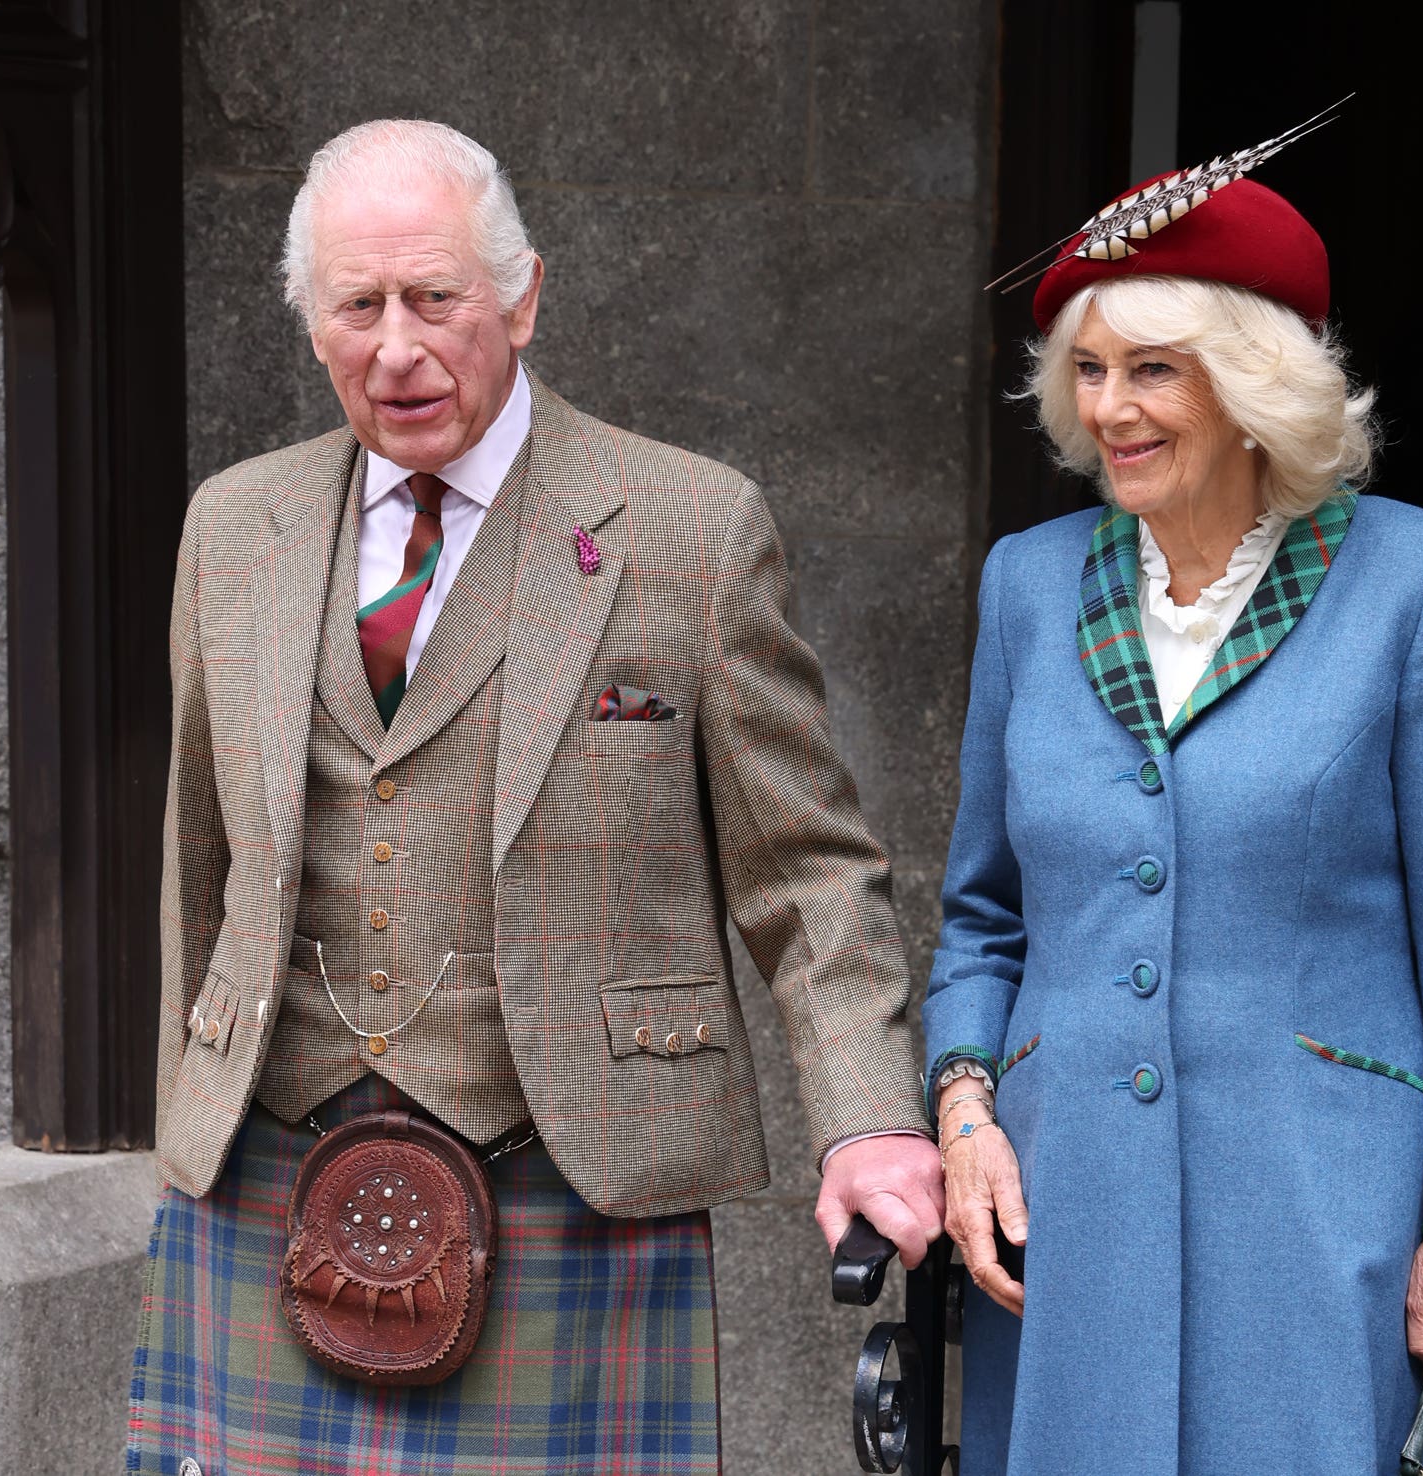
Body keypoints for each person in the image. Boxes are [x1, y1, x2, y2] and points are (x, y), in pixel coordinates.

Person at [129, 118, 941, 1476]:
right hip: (270, 1163)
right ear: (312, 325)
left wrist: (867, 1117)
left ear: (521, 297)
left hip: (573, 1171)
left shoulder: (687, 527)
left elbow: (805, 867)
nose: (397, 348)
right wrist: (189, 1119)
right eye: (357, 307)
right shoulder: (234, 524)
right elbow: (197, 860)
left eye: (435, 298)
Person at [925, 156, 1423, 1475]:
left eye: (1154, 369)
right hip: (1067, 1209)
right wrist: (965, 1112)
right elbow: (981, 918)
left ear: (1255, 384)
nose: (1110, 408)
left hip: (1322, 1206)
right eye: (1091, 370)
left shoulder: (1416, 579)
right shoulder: (1028, 586)